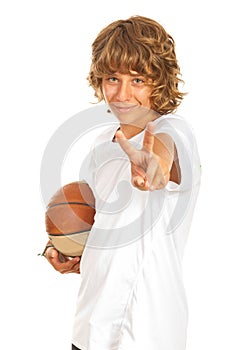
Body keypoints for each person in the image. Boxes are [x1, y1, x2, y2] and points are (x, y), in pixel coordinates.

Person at [43, 15, 201, 350]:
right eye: (112, 78)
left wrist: (154, 168)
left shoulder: (175, 132)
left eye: (138, 80)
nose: (122, 93)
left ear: (159, 82)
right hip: (88, 329)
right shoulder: (100, 147)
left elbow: (162, 155)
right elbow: (96, 231)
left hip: (148, 333)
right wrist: (68, 251)